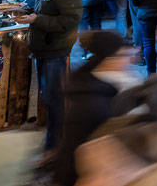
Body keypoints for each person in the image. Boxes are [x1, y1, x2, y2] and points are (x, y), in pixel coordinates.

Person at [12, 0, 83, 153]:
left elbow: (70, 21)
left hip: (55, 49)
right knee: (49, 96)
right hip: (45, 47)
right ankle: (53, 140)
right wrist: (30, 13)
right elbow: (48, 10)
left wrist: (37, 19)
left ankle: (55, 144)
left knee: (54, 98)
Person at [51, 31, 137, 186]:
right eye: (124, 56)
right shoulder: (95, 101)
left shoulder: (100, 86)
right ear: (109, 59)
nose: (130, 61)